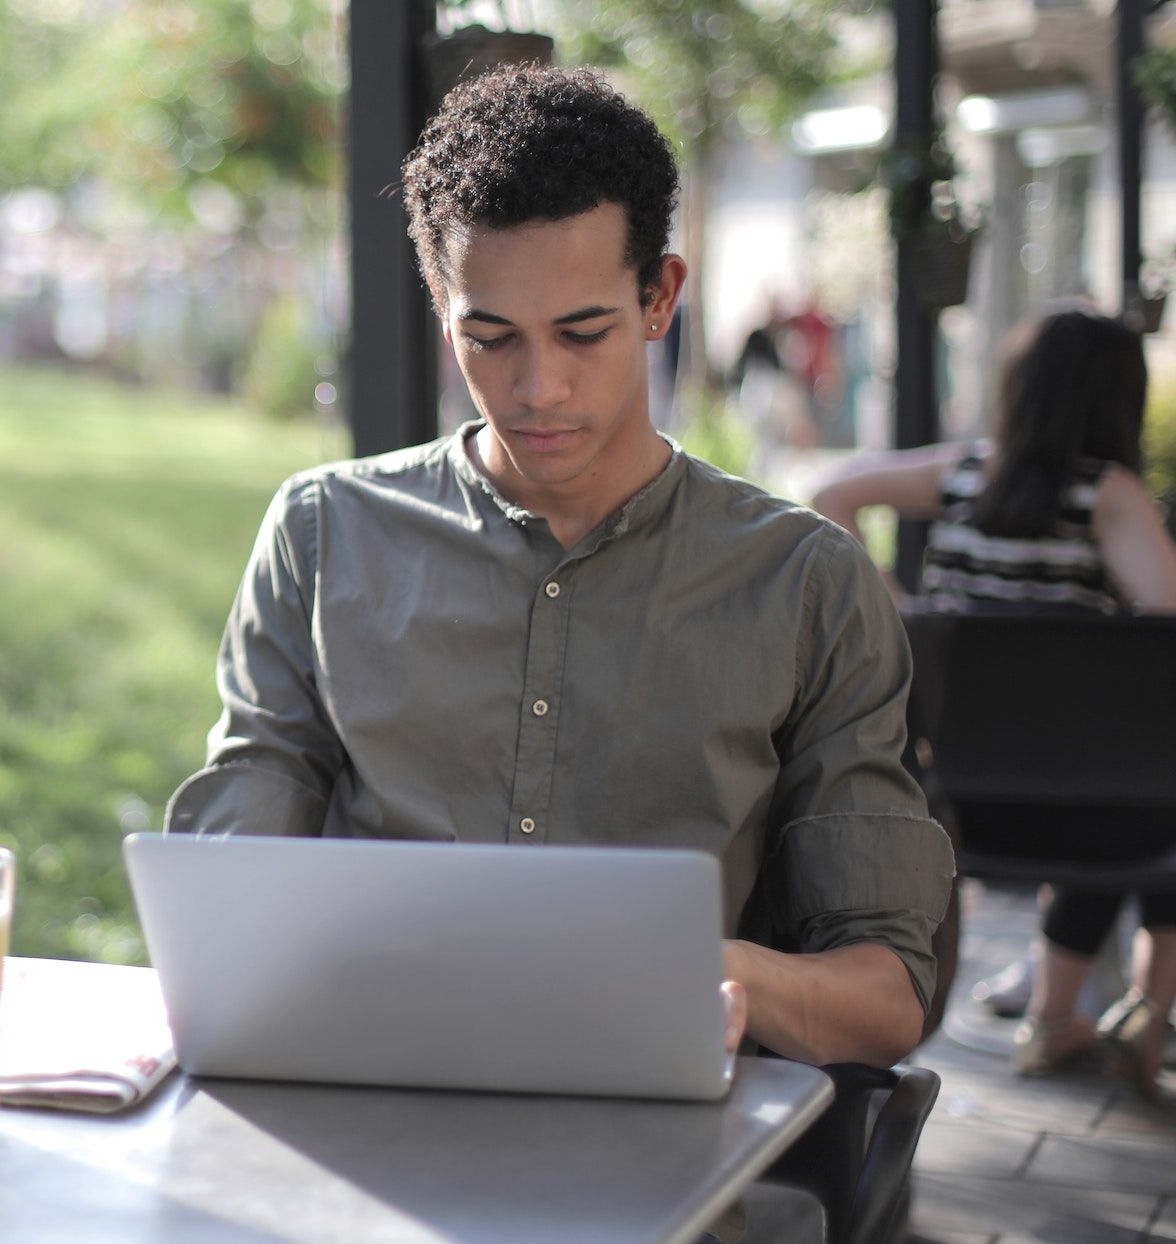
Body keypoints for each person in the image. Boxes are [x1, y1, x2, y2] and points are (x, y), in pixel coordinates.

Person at [167, 65, 953, 1077]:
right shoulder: (324, 536)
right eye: (489, 338)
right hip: (368, 1109)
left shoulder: (805, 584)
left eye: (583, 333)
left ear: (659, 296)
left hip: (666, 1161)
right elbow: (231, 897)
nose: (539, 389)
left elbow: (887, 992)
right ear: (443, 307)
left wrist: (716, 974)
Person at [811, 309, 1176, 1094]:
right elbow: (1167, 615)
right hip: (1089, 816)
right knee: (1156, 791)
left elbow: (831, 493)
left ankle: (1068, 1014)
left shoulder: (963, 474)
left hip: (950, 799)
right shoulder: (1108, 496)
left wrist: (900, 610)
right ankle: (1123, 1016)